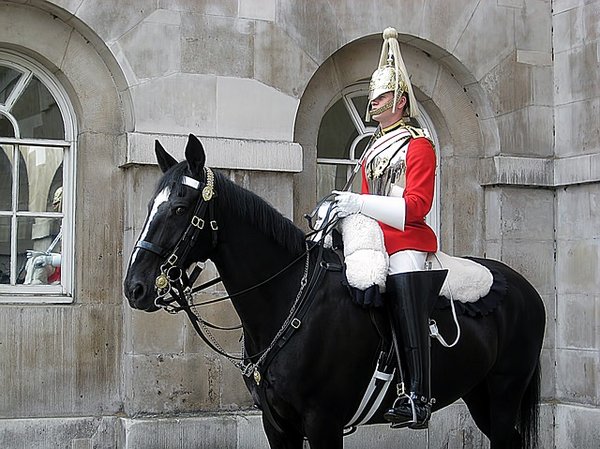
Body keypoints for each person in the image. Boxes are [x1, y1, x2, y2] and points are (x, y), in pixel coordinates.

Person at [333, 27, 447, 429]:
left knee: (402, 280)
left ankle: (417, 395)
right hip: (373, 239)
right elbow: (363, 200)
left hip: (407, 241)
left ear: (399, 101)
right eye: (372, 96)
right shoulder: (370, 148)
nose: (372, 102)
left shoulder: (419, 145)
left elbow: (416, 206)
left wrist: (359, 202)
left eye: (380, 97)